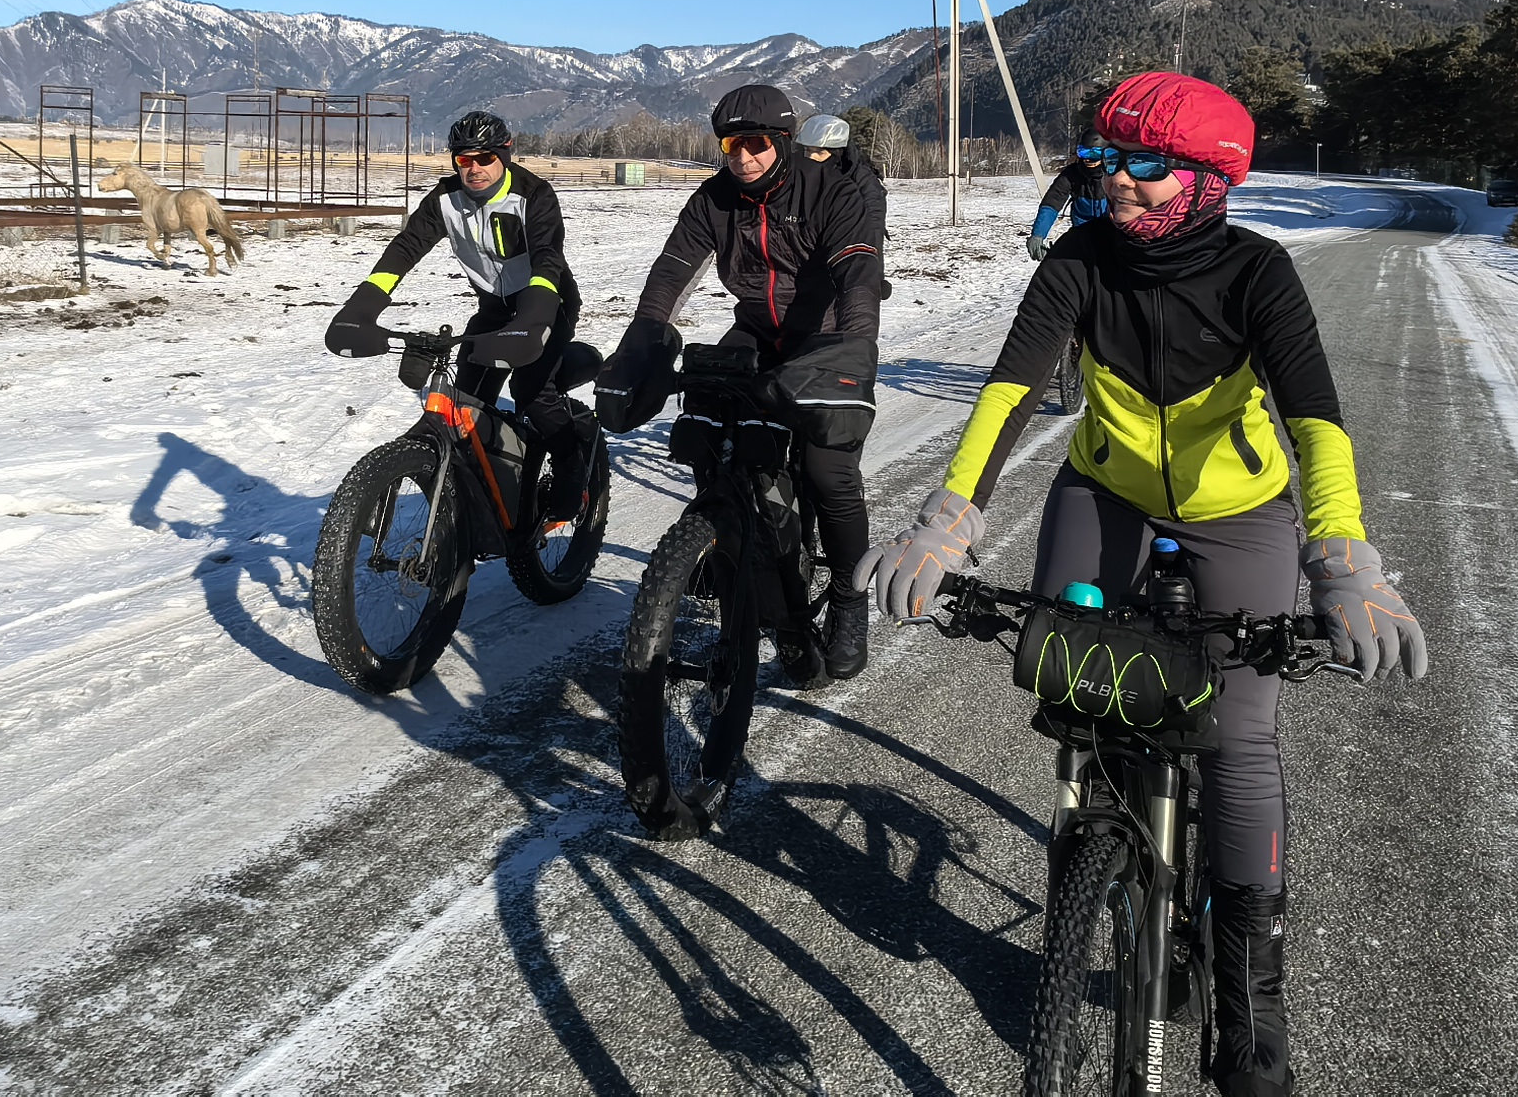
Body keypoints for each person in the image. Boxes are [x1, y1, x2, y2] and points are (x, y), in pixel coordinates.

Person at [857, 70, 1429, 1097]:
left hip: (1236, 511)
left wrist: (1339, 556)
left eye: (1144, 164)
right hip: (1104, 492)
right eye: (1104, 157)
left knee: (1240, 733)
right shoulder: (1078, 259)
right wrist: (949, 515)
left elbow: (1315, 420)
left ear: (1209, 181)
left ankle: (1251, 993)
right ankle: (1090, 877)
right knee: (1068, 677)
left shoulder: (1257, 274)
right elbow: (1009, 389)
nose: (1115, 180)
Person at [598, 83, 887, 680]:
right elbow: (673, 270)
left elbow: (858, 269)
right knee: (708, 429)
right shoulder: (714, 199)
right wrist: (644, 339)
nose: (742, 157)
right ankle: (727, 539)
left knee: (827, 470)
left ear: (781, 142)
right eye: (731, 145)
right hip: (755, 329)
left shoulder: (829, 190)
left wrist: (857, 346)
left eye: (755, 144)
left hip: (825, 333)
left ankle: (849, 601)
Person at [326, 112, 594, 512]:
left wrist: (534, 318)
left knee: (531, 394)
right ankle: (489, 488)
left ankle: (573, 464)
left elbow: (547, 258)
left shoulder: (533, 194)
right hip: (493, 308)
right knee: (465, 405)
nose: (474, 168)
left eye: (484, 158)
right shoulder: (444, 199)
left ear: (505, 154)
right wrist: (363, 305)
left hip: (546, 301)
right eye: (464, 159)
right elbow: (406, 249)